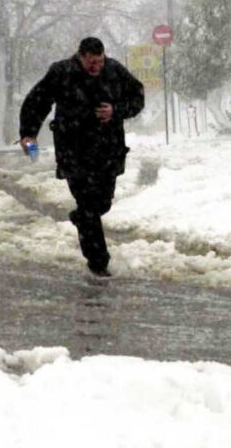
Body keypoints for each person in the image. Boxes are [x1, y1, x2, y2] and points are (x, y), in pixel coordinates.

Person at [19, 37, 145, 278]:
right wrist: (28, 133)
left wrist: (116, 110)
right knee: (88, 205)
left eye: (99, 62)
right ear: (80, 56)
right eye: (91, 63)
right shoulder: (62, 72)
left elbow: (137, 97)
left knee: (102, 203)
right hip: (73, 150)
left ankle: (82, 219)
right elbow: (38, 101)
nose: (96, 67)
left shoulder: (114, 70)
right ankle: (99, 262)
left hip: (108, 151)